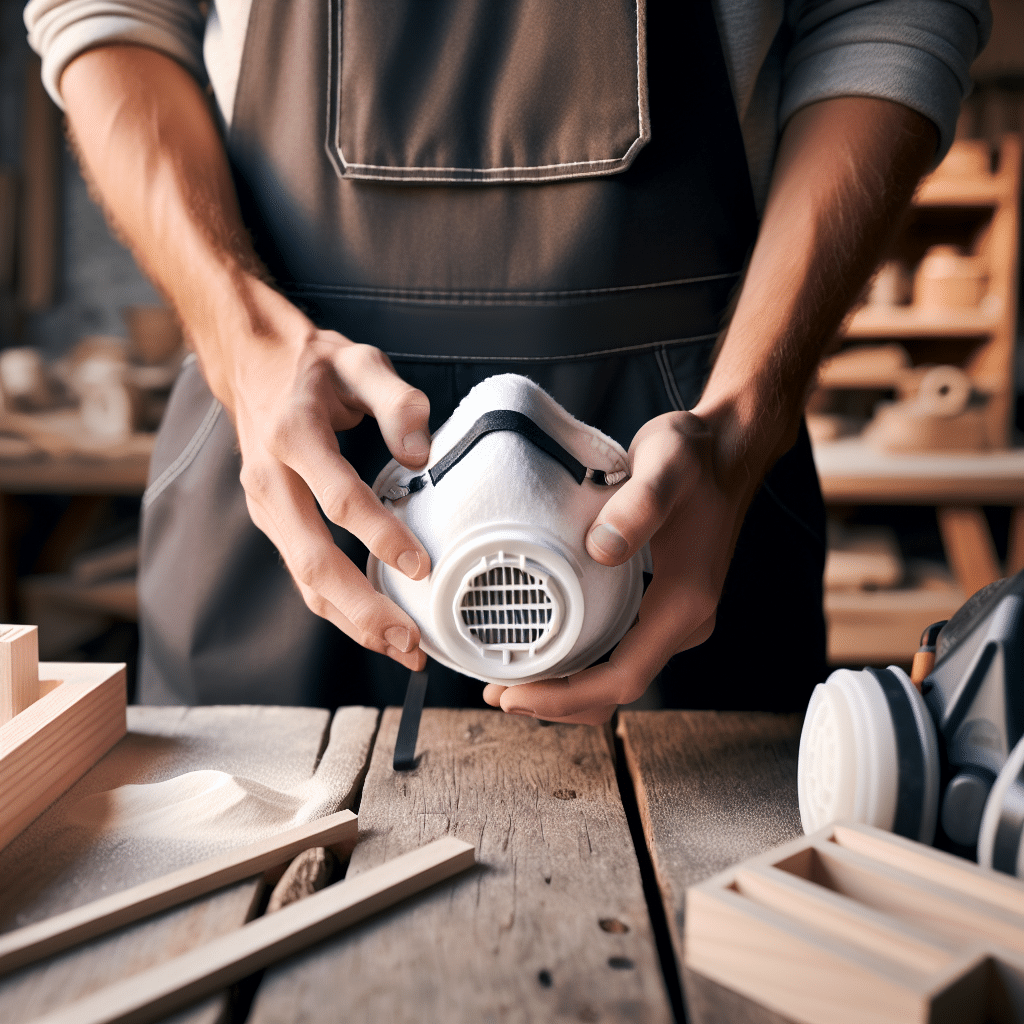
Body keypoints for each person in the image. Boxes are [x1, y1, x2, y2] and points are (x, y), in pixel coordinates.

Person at [26, 0, 989, 723]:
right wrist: (241, 337)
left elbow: (885, 14)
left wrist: (743, 416)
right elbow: (111, 14)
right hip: (295, 448)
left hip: (680, 485)